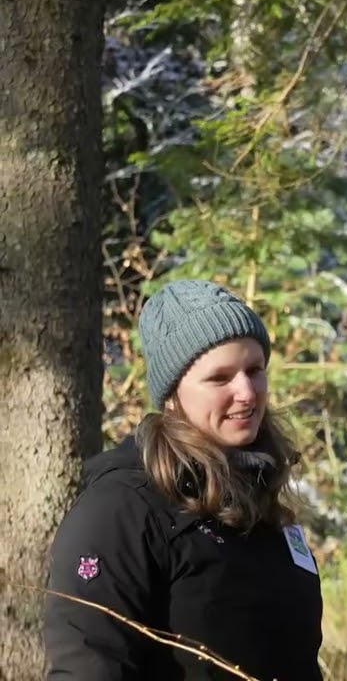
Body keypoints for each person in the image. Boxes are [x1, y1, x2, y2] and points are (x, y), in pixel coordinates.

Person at [43, 280, 323, 680]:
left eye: (254, 370)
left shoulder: (263, 502)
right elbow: (89, 666)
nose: (246, 392)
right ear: (172, 394)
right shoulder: (122, 511)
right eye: (220, 378)